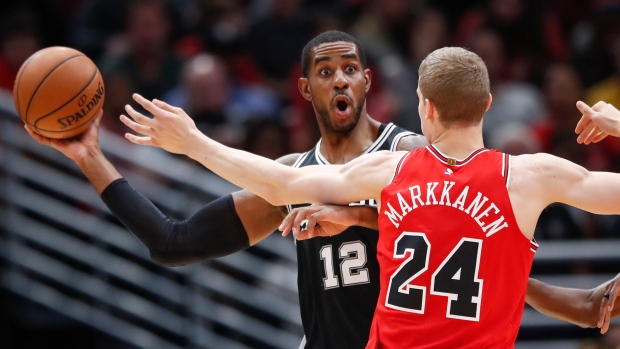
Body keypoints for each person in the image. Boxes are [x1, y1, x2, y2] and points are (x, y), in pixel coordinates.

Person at [23, 31, 618, 347]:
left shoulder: (410, 157)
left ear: (368, 82)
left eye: (350, 67)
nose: (339, 78)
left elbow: (479, 256)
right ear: (305, 89)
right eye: (324, 70)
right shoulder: (292, 170)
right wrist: (92, 156)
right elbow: (174, 241)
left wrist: (356, 217)